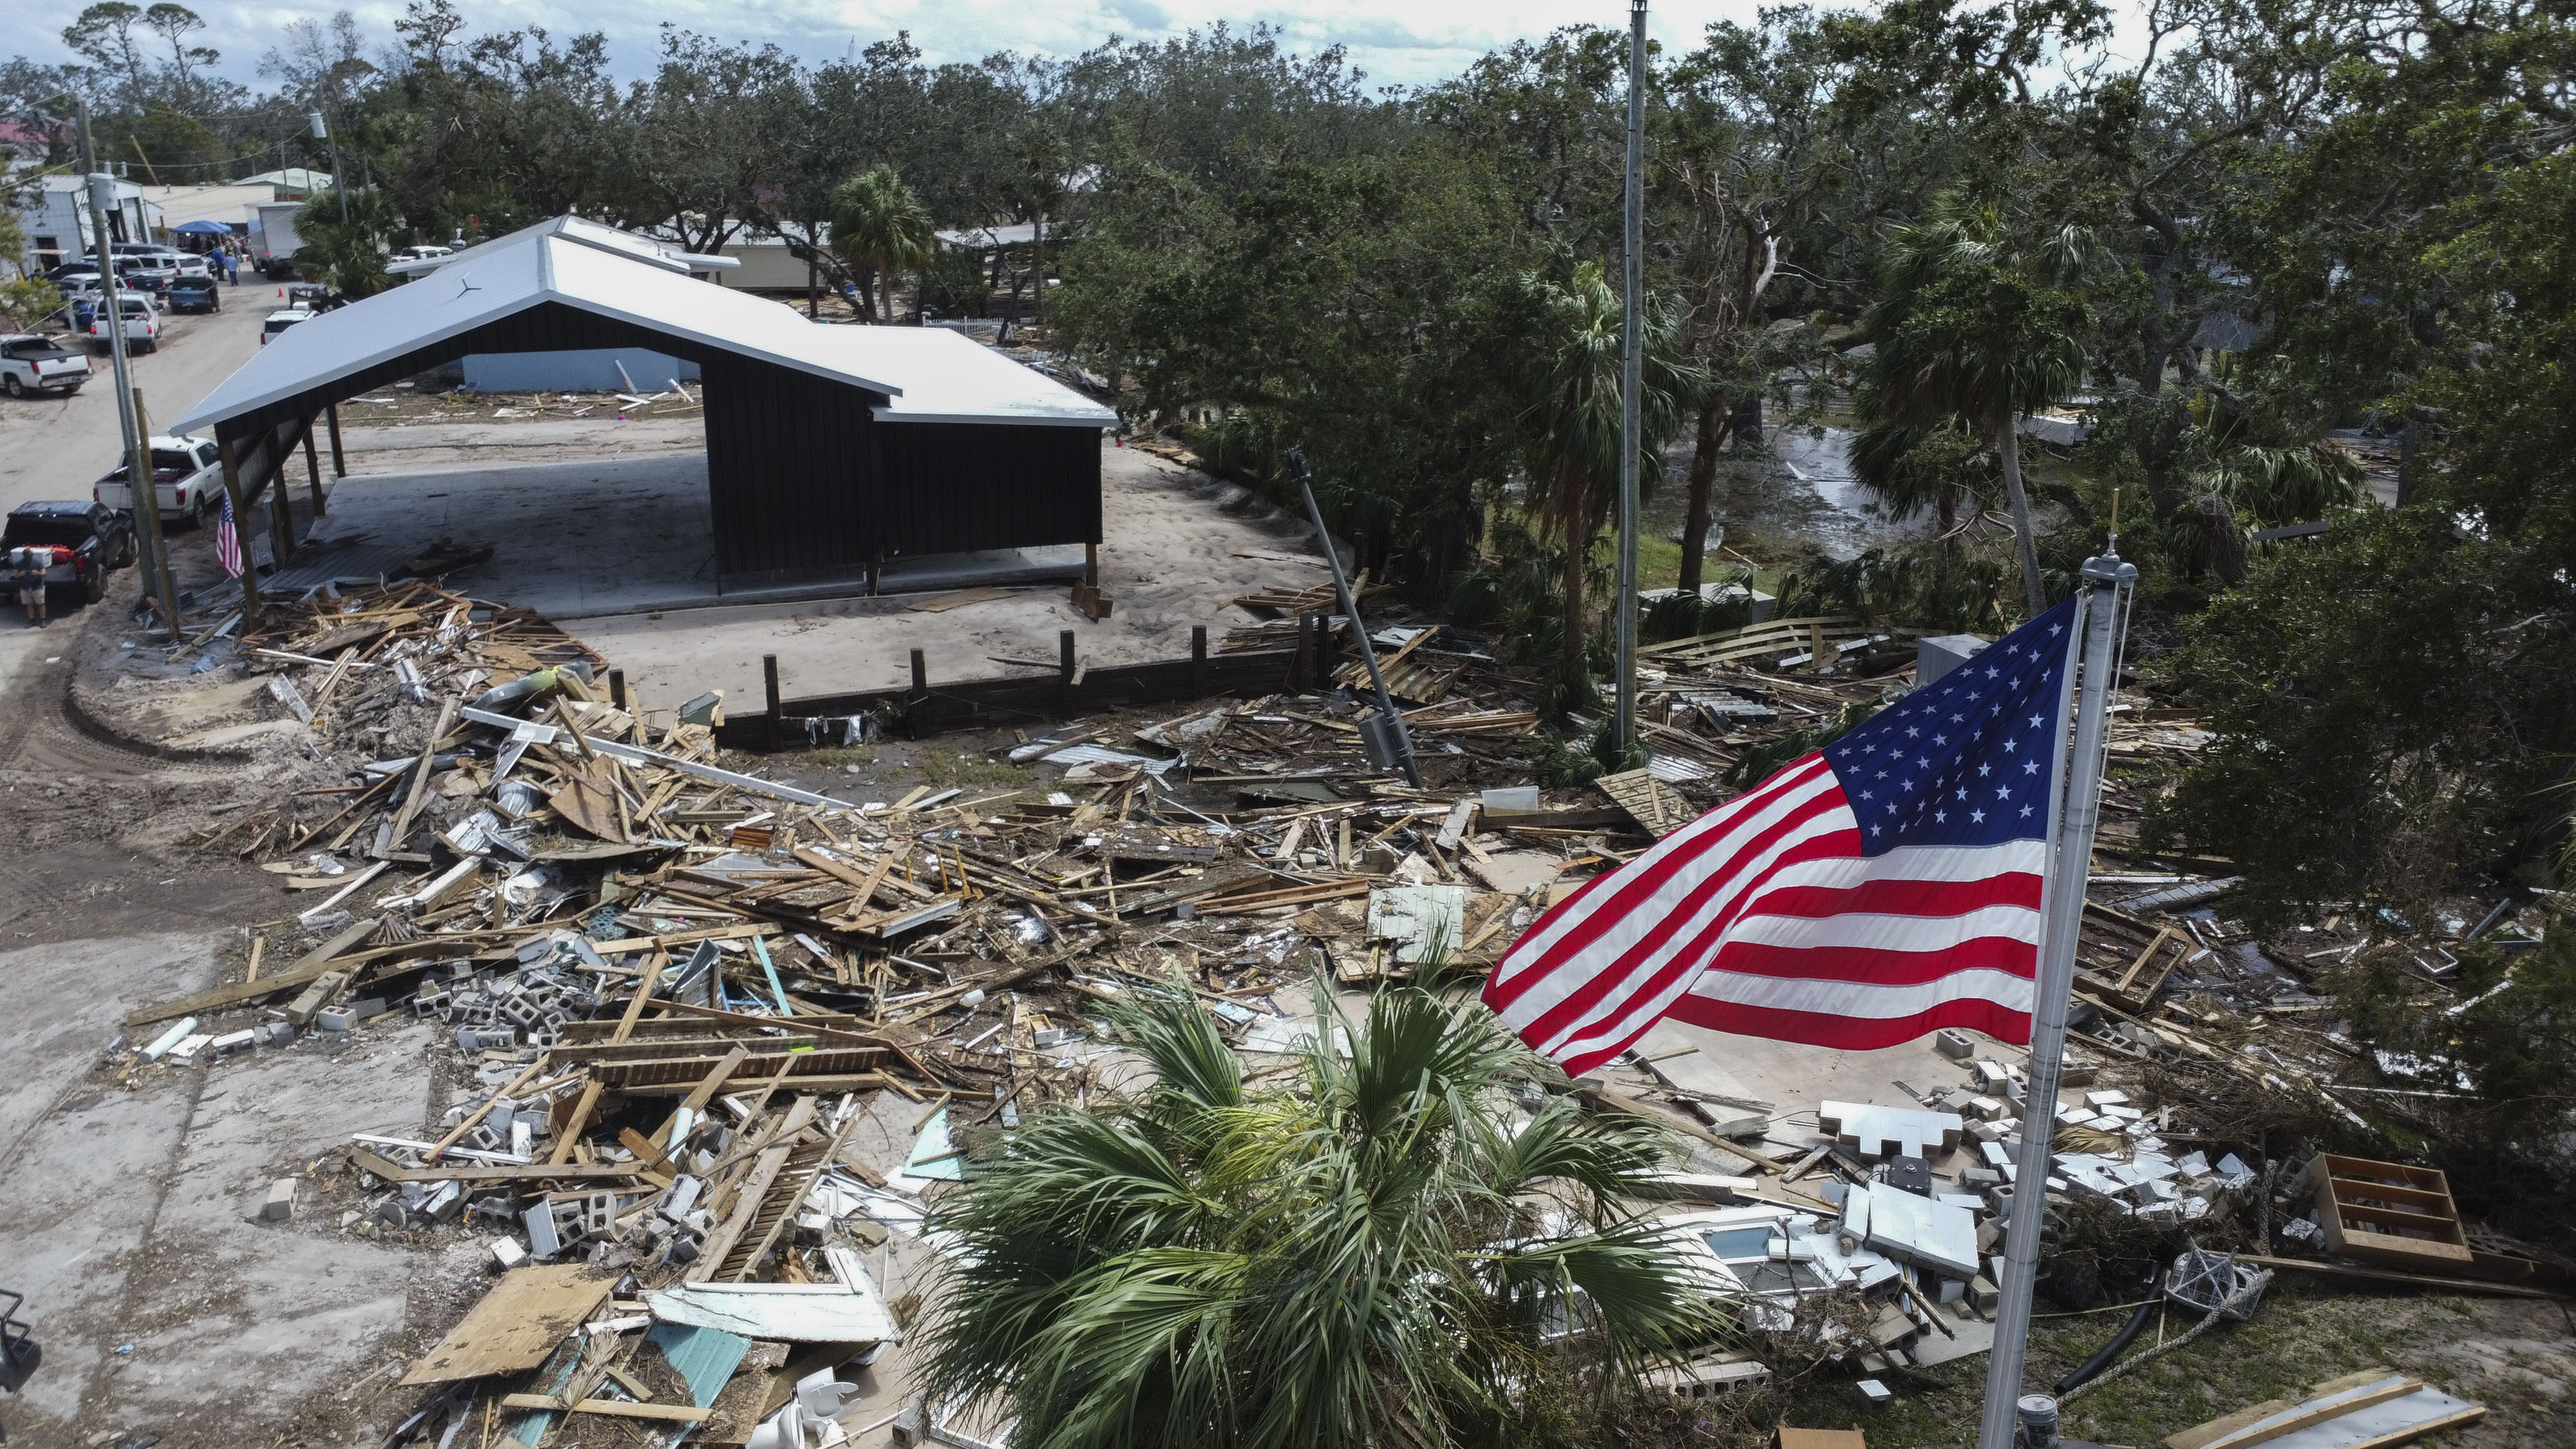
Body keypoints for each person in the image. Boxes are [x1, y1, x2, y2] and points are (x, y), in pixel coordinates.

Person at [11, 545, 55, 626]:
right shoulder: (19, 564)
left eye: (30, 556)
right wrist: (20, 574)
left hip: (37, 587)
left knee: (41, 604)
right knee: (29, 605)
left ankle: (43, 620)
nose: (29, 557)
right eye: (28, 556)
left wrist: (38, 573)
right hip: (25, 588)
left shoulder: (38, 563)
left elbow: (44, 573)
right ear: (24, 556)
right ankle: (32, 620)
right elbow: (15, 576)